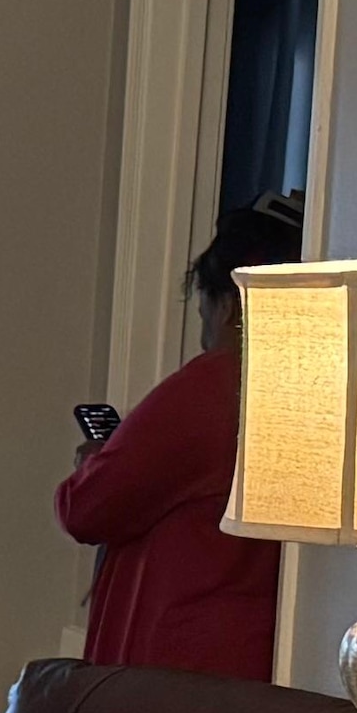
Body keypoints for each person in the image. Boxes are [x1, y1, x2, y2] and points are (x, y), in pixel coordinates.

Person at [57, 196, 301, 681]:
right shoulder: (304, 386)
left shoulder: (212, 387)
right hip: (256, 661)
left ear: (228, 305)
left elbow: (87, 507)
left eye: (204, 305)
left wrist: (95, 460)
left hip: (175, 662)